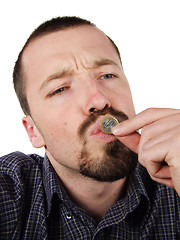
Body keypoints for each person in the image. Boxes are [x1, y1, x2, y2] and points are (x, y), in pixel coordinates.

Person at [0, 16, 180, 239]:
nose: (99, 100)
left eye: (107, 75)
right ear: (33, 130)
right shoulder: (8, 190)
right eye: (60, 89)